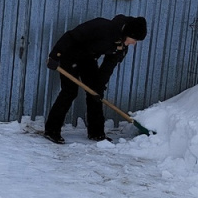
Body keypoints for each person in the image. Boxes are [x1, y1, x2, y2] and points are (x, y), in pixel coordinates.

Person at [42, 15, 148, 144]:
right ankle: (51, 130)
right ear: (127, 33)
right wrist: (55, 56)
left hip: (88, 59)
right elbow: (71, 36)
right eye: (134, 39)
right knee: (70, 91)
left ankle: (96, 133)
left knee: (95, 93)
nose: (134, 43)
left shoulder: (121, 46)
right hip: (70, 55)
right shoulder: (102, 26)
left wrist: (100, 86)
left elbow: (108, 66)